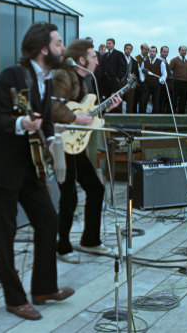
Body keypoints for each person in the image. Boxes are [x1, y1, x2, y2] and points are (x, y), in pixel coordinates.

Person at [0, 22, 74, 321]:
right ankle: (14, 299)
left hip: (30, 167)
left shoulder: (45, 79)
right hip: (2, 168)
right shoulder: (13, 76)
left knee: (48, 220)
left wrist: (52, 138)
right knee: (4, 236)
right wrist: (21, 124)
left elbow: (44, 121)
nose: (62, 48)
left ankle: (43, 289)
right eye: (58, 43)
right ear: (44, 48)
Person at [51, 39, 121, 264]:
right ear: (82, 59)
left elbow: (86, 114)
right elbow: (54, 108)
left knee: (95, 188)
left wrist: (105, 108)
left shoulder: (85, 84)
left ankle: (90, 240)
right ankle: (62, 246)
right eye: (93, 57)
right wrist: (76, 118)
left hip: (74, 146)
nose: (97, 61)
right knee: (68, 196)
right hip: (60, 143)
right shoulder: (63, 76)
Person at [139, 46, 165, 113]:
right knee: (143, 100)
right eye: (150, 51)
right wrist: (142, 79)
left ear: (156, 53)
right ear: (149, 52)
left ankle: (155, 117)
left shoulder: (161, 62)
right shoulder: (144, 62)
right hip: (147, 83)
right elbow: (141, 72)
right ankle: (142, 116)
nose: (152, 53)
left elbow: (164, 74)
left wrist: (160, 80)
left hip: (156, 84)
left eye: (153, 51)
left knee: (156, 101)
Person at [100, 38, 127, 103]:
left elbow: (123, 67)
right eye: (107, 43)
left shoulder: (118, 54)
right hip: (106, 82)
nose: (107, 45)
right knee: (106, 100)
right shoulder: (104, 56)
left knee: (115, 100)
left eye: (109, 43)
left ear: (113, 44)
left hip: (114, 82)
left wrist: (118, 78)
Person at [170, 46, 187, 113]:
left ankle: (181, 114)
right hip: (176, 82)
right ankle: (173, 114)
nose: (184, 52)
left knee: (183, 100)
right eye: (182, 50)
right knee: (174, 99)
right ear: (179, 51)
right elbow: (169, 71)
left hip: (185, 83)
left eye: (185, 50)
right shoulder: (174, 60)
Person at [122, 43, 140, 113]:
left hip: (130, 84)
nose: (128, 50)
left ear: (131, 50)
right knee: (119, 101)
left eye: (130, 49)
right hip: (121, 83)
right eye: (127, 49)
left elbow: (136, 73)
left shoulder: (135, 62)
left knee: (130, 101)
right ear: (124, 49)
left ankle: (128, 116)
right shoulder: (120, 59)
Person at [134, 43, 150, 113]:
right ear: (141, 49)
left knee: (143, 102)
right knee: (135, 102)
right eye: (145, 49)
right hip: (138, 84)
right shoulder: (136, 59)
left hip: (146, 84)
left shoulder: (149, 59)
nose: (147, 51)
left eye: (148, 49)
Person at [158, 46, 174, 113]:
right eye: (164, 52)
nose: (166, 53)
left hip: (169, 85)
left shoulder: (166, 61)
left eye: (167, 52)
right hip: (163, 85)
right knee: (162, 102)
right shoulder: (158, 61)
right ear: (160, 52)